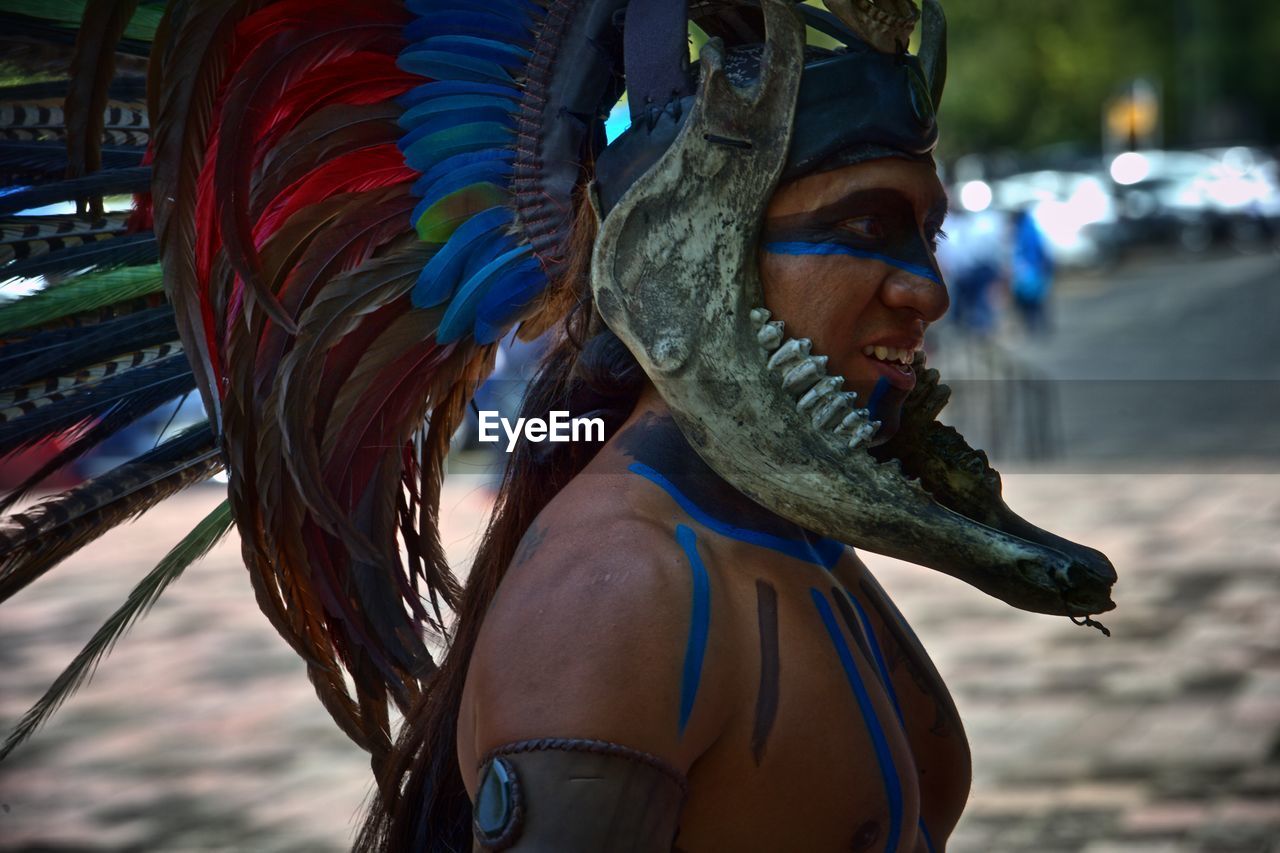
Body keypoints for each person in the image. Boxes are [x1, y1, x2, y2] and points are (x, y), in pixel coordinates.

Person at [0, 1, 1116, 850]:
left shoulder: (774, 534)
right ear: (691, 258)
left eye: (923, 235)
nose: (925, 292)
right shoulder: (619, 597)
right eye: (867, 228)